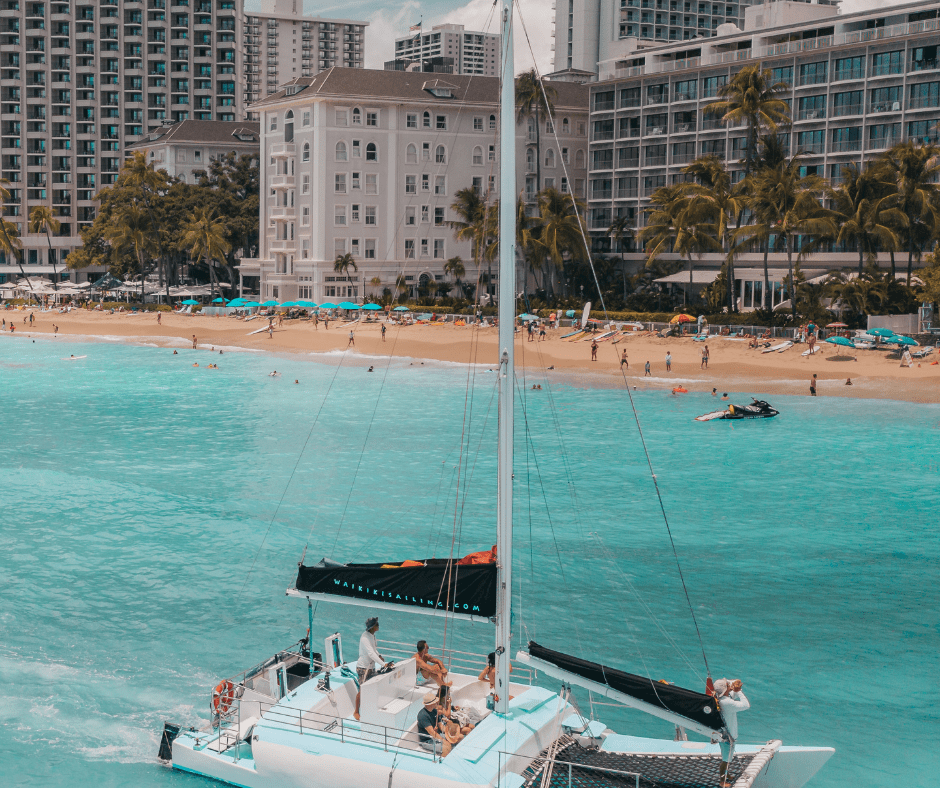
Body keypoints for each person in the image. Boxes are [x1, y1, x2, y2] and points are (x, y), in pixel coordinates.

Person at [714, 678, 749, 788]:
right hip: (727, 736)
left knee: (728, 756)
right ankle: (722, 781)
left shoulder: (723, 698)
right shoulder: (726, 702)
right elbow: (746, 705)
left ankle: (727, 774)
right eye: (727, 685)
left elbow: (729, 689)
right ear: (725, 690)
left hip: (724, 732)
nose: (729, 684)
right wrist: (739, 691)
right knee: (726, 759)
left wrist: (734, 684)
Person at [354, 617, 387, 720]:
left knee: (370, 688)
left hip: (371, 667)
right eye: (377, 624)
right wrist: (383, 664)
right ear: (373, 627)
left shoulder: (372, 636)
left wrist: (380, 655)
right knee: (362, 690)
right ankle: (356, 711)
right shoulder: (365, 638)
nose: (378, 625)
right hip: (363, 668)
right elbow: (370, 653)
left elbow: (374, 650)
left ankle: (368, 709)